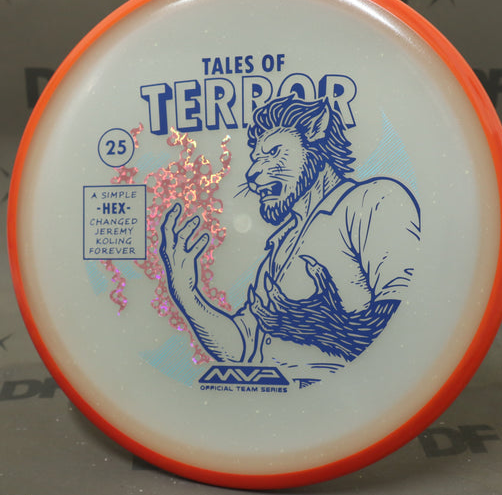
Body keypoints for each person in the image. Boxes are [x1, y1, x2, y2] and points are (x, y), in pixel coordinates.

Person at [159, 95, 421, 384]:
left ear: (315, 135)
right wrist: (186, 292)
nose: (252, 172)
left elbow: (406, 328)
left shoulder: (374, 201)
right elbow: (240, 349)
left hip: (350, 403)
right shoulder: (281, 246)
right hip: (269, 409)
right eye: (256, 158)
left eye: (273, 153)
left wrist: (317, 326)